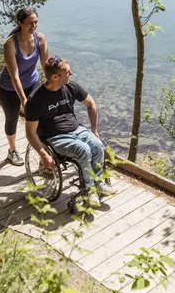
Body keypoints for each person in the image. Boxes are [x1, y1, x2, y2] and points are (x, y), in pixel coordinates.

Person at [24, 56, 116, 207]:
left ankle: (98, 183)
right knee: (84, 150)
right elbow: (30, 132)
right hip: (55, 136)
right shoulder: (36, 99)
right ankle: (89, 190)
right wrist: (44, 155)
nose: (71, 73)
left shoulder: (71, 87)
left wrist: (94, 129)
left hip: (77, 129)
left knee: (98, 145)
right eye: (67, 71)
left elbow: (91, 104)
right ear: (55, 76)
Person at [0, 7, 49, 166]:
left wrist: (55, 86)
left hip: (32, 82)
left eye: (35, 22)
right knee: (12, 118)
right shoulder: (10, 44)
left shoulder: (40, 39)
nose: (33, 26)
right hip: (9, 88)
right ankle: (12, 151)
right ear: (20, 23)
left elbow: (46, 66)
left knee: (39, 117)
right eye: (29, 23)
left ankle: (44, 151)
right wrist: (24, 100)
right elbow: (14, 75)